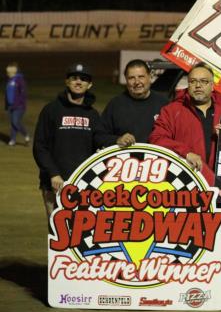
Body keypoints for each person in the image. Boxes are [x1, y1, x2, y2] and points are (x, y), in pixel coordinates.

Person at [149, 62, 221, 185]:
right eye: (193, 81)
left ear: (212, 85)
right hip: (185, 182)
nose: (198, 85)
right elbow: (156, 139)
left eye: (204, 81)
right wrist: (186, 153)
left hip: (220, 184)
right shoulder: (172, 110)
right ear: (188, 85)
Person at [33, 63, 100, 217]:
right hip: (54, 183)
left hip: (83, 184)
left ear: (89, 85)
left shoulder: (93, 115)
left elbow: (99, 144)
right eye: (74, 78)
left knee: (81, 233)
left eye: (83, 79)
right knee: (57, 233)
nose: (78, 82)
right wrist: (53, 174)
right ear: (67, 82)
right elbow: (40, 146)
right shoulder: (51, 110)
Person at [96, 59, 168, 147]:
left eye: (141, 77)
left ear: (150, 77)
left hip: (157, 160)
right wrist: (117, 140)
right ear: (126, 80)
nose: (137, 82)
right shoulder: (116, 104)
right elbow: (99, 136)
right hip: (125, 160)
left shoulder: (164, 104)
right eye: (131, 78)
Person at [5, 62, 30, 146]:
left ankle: (26, 135)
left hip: (19, 106)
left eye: (8, 72)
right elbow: (8, 94)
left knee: (15, 122)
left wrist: (19, 103)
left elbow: (23, 94)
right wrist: (7, 105)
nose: (7, 73)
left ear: (12, 72)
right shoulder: (10, 81)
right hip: (11, 106)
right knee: (13, 123)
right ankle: (12, 140)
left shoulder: (19, 80)